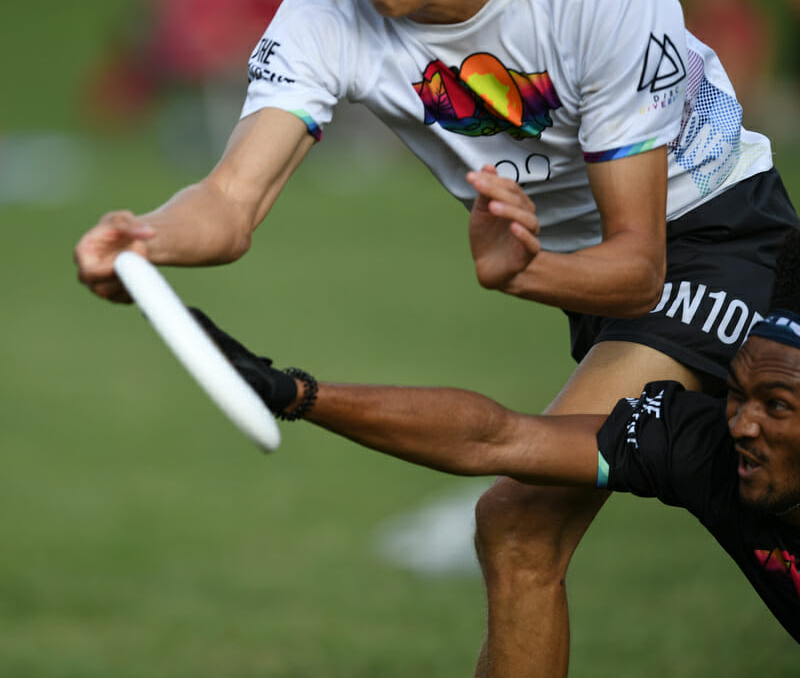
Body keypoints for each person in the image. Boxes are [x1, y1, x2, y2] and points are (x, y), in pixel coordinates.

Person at [73, 0, 799, 675]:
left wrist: (524, 275)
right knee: (524, 526)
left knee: (520, 528)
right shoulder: (326, 7)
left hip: (710, 232)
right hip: (578, 268)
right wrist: (149, 237)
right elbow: (229, 201)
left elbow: (637, 269)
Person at [186, 225, 800, 650]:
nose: (742, 424)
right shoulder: (700, 446)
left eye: (776, 405)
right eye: (736, 394)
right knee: (514, 518)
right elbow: (500, 440)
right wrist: (295, 394)